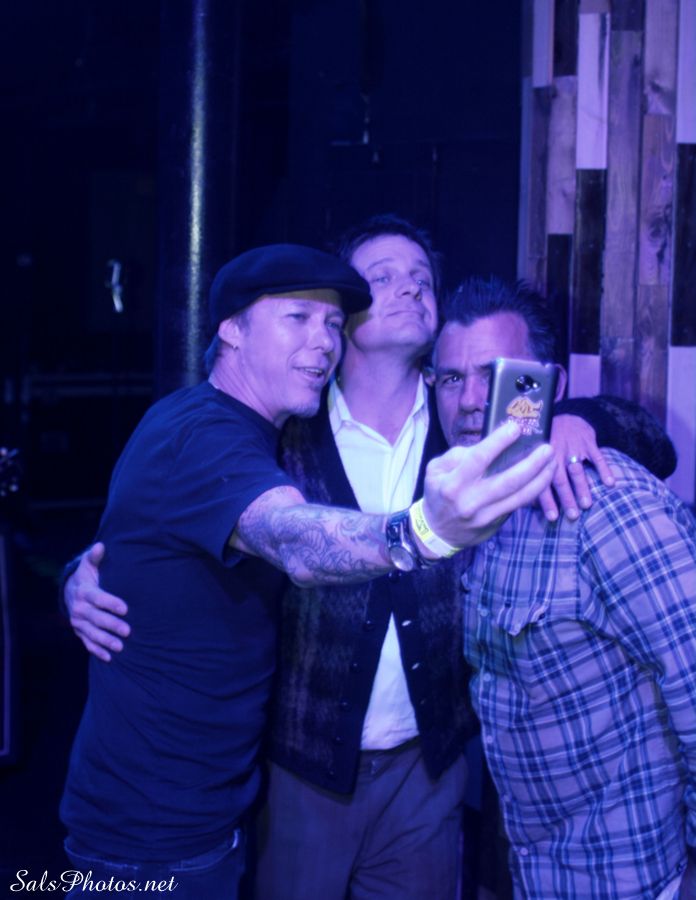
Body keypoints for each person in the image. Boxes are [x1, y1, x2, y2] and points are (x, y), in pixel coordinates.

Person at [65, 217, 676, 899]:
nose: (409, 288)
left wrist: (580, 419)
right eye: (380, 279)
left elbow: (652, 442)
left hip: (428, 771)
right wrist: (85, 572)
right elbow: (193, 514)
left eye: (422, 279)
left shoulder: (462, 420)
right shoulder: (284, 425)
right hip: (298, 772)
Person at [432, 275, 696, 899]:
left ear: (550, 386)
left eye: (495, 375)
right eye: (450, 378)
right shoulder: (464, 505)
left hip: (635, 878)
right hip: (540, 874)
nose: (470, 400)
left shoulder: (607, 507)